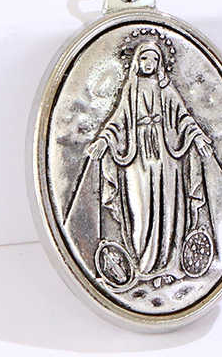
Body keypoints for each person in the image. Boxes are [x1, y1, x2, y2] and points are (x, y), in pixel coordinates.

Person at [86, 42, 213, 285]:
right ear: (137, 61)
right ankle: (143, 267)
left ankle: (169, 265)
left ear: (160, 63)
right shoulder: (131, 90)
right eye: (145, 58)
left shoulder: (166, 89)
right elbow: (118, 120)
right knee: (141, 213)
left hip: (167, 158)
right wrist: (103, 139)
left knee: (169, 209)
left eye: (154, 60)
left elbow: (184, 117)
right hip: (137, 159)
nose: (149, 64)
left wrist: (197, 136)